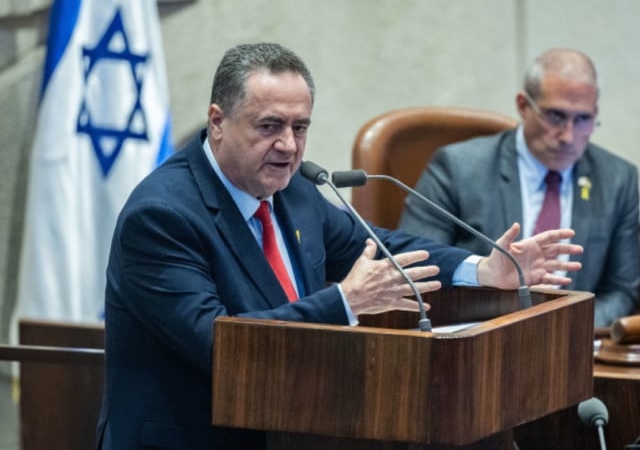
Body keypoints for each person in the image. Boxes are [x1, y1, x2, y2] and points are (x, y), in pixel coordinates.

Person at [95, 42, 582, 450]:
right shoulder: (161, 216)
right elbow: (218, 342)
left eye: (299, 127)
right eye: (269, 126)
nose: (288, 145)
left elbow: (376, 245)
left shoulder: (295, 190)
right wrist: (345, 302)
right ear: (218, 121)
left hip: (298, 428)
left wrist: (481, 270)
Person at [399, 48, 639, 328]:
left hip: (573, 346)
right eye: (556, 116)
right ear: (524, 105)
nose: (568, 135)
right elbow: (415, 269)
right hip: (479, 341)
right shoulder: (457, 169)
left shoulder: (618, 180)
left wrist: (566, 329)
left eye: (583, 119)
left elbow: (622, 289)